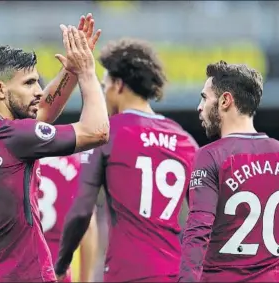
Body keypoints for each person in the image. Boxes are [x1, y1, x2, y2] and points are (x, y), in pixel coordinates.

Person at [0, 14, 109, 283]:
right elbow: (98, 131)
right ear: (0, 90)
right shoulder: (18, 136)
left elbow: (44, 109)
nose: (38, 91)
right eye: (29, 84)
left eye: (38, 82)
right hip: (26, 274)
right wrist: (85, 71)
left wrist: (69, 70)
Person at [55, 38, 199, 282]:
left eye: (105, 85)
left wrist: (61, 264)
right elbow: (203, 219)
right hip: (175, 273)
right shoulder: (186, 141)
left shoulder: (106, 133)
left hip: (127, 273)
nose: (104, 93)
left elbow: (81, 210)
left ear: (118, 85)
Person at [178, 61, 279, 282]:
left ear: (225, 100)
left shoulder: (210, 155)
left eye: (204, 98)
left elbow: (197, 232)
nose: (199, 107)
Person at [39, 154, 98, 282]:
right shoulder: (77, 165)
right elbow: (88, 226)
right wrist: (85, 279)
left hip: (19, 268)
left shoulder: (17, 157)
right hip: (57, 271)